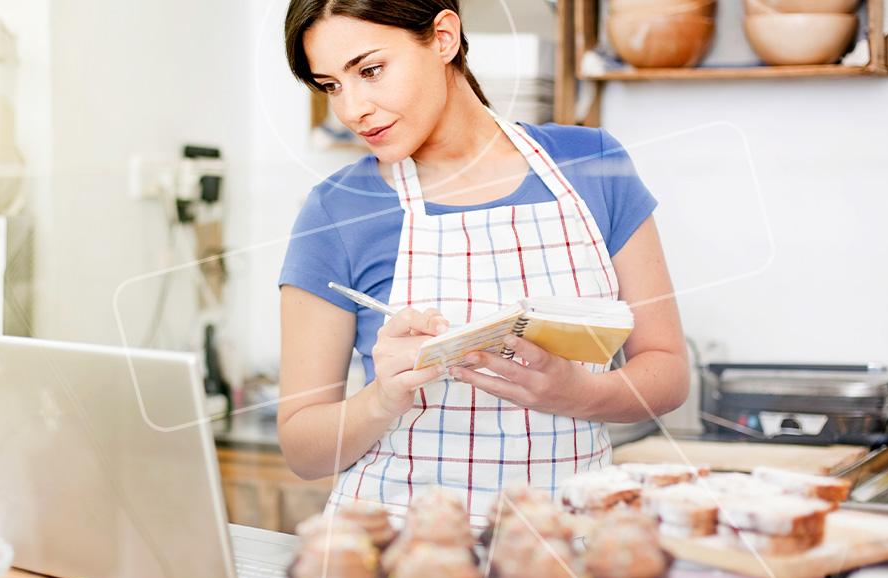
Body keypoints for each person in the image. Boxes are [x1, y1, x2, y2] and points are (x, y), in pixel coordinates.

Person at [276, 0, 689, 529]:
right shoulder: (335, 210)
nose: (352, 108)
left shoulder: (593, 166)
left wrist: (578, 393)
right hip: (398, 559)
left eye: (370, 70)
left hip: (562, 551)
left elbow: (667, 371)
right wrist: (381, 398)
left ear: (444, 38)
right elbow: (303, 451)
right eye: (331, 85)